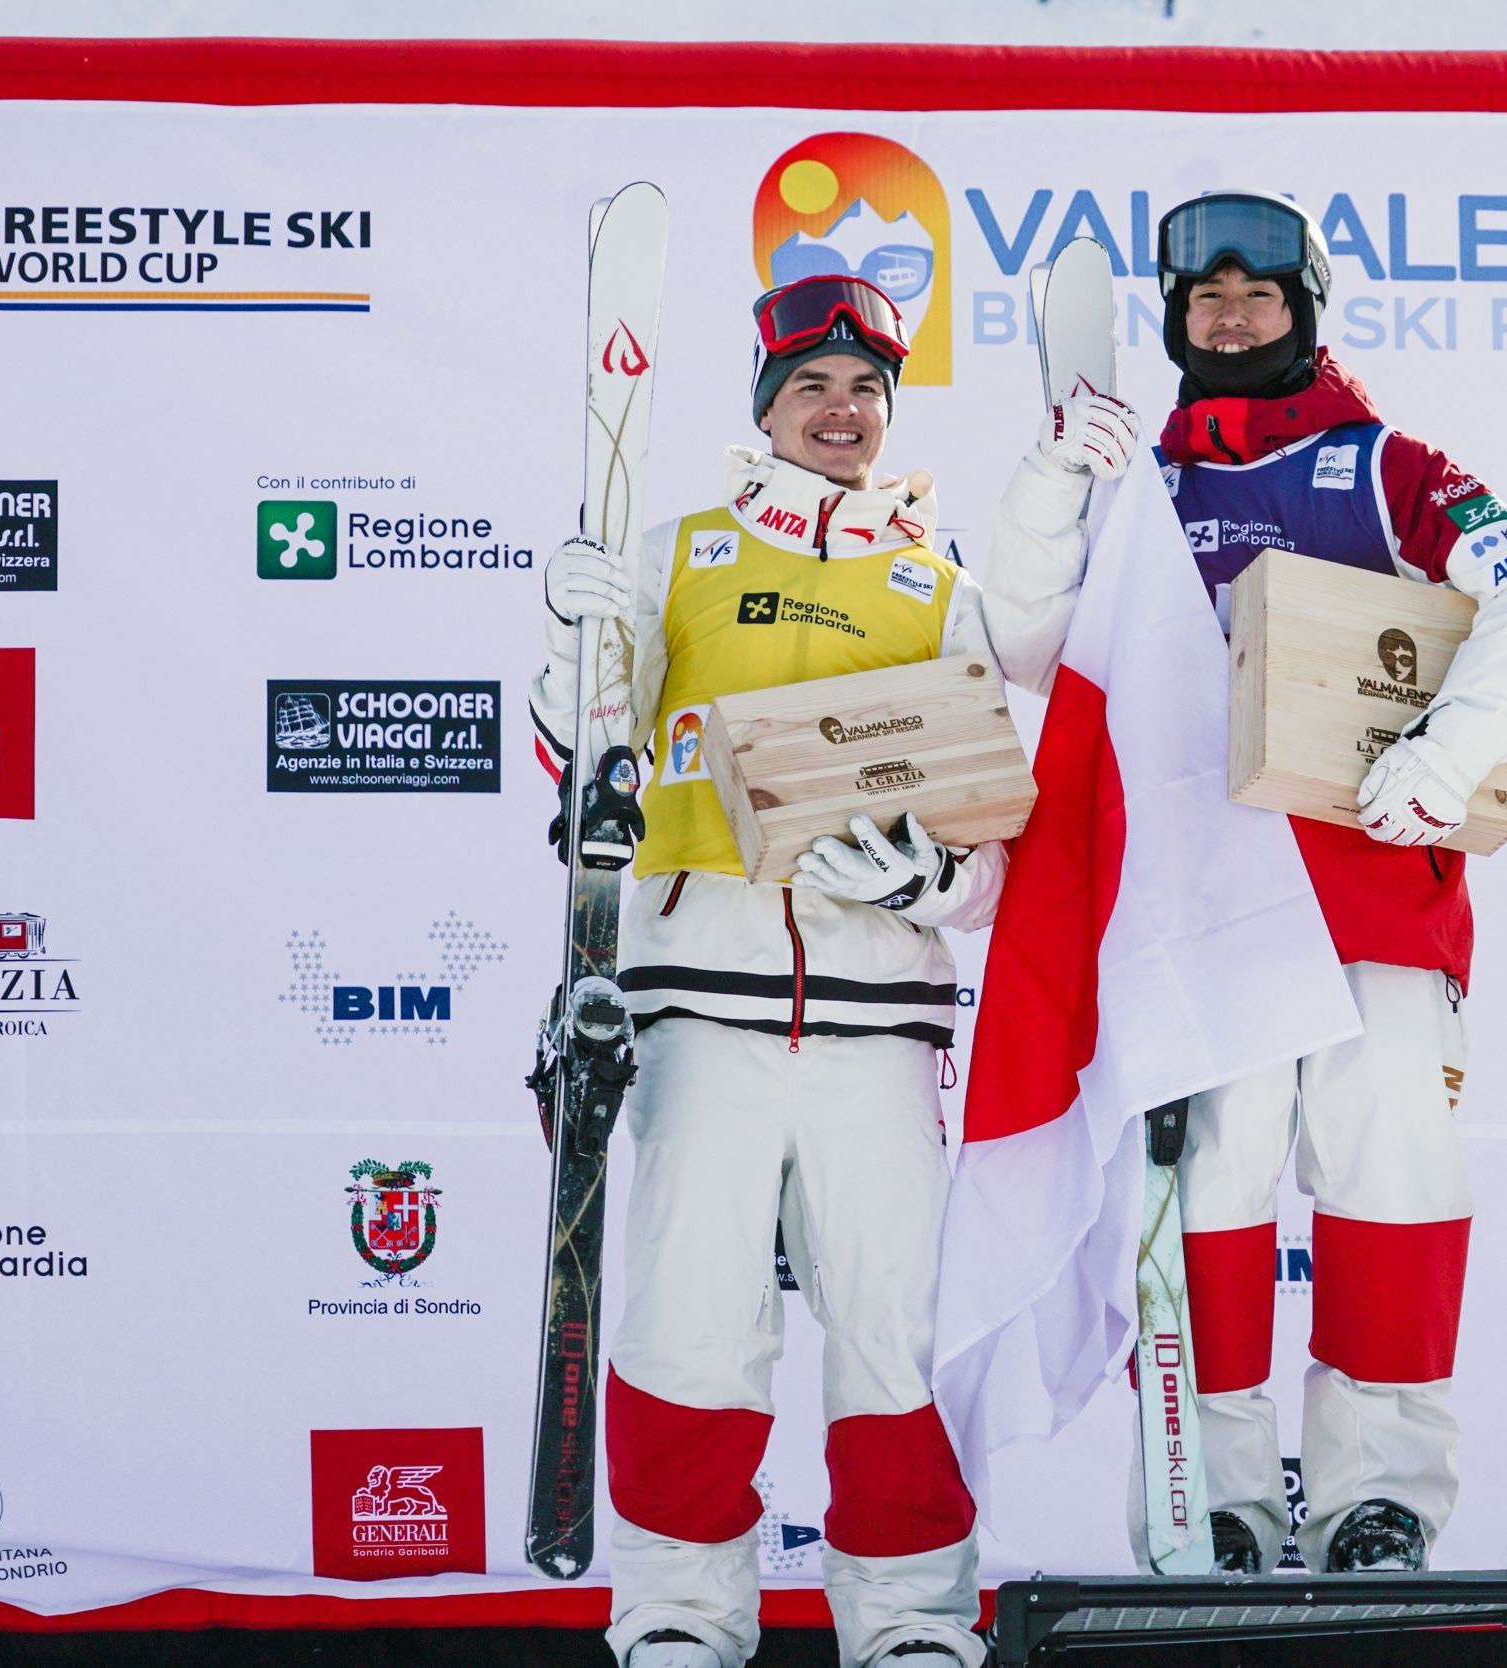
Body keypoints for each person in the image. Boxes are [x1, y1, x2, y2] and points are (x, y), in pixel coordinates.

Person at [984, 191, 1507, 1576]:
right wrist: (1048, 490)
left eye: (1260, 295)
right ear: (1180, 325)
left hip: (1375, 900)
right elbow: (1022, 646)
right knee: (1212, 1207)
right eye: (1207, 300)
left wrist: (1451, 752)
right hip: (1195, 923)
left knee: (1393, 1195)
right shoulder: (1142, 490)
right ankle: (1220, 1500)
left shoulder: (1389, 467)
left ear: (1304, 312)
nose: (1233, 315)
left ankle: (1382, 1495)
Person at [532, 275, 1002, 1668]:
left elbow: (993, 840)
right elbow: (587, 758)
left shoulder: (942, 581)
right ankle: (677, 1611)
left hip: (878, 1022)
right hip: (696, 1001)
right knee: (687, 1330)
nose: (843, 410)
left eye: (866, 388)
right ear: (768, 408)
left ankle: (912, 1620)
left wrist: (927, 882)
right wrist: (571, 642)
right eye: (813, 387)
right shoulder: (674, 554)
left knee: (894, 1335)